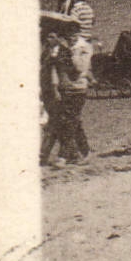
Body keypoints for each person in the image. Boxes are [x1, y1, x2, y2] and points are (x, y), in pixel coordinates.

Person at [41, 17, 92, 167]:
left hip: (78, 89)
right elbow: (55, 72)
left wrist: (71, 54)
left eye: (74, 34)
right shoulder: (61, 50)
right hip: (66, 90)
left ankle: (64, 156)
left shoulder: (82, 48)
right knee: (73, 122)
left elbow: (79, 69)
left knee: (70, 122)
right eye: (69, 34)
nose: (71, 37)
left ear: (78, 33)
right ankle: (84, 152)